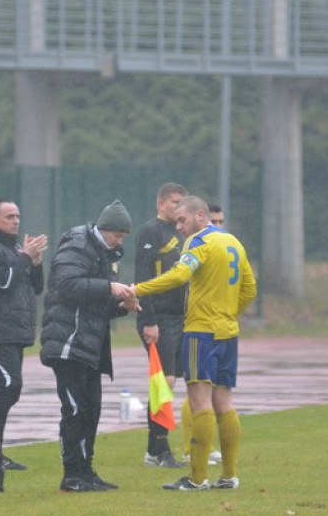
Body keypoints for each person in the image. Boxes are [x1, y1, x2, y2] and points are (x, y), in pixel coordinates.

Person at [133, 195, 257, 491]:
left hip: (201, 332)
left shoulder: (198, 243)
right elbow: (249, 288)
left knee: (200, 402)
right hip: (228, 332)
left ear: (200, 216)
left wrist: (138, 289)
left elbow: (179, 275)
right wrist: (229, 313)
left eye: (182, 220)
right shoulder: (233, 242)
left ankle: (198, 478)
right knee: (224, 403)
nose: (179, 227)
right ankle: (229, 475)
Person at [40, 200, 140, 492]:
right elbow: (68, 286)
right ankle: (72, 475)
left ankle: (86, 472)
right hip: (68, 342)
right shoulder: (76, 244)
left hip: (90, 344)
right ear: (104, 229)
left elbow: (98, 304)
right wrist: (110, 287)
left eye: (123, 238)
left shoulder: (107, 255)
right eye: (117, 236)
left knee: (92, 409)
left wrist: (124, 304)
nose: (119, 242)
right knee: (74, 409)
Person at [0, 200, 48, 471]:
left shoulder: (15, 250)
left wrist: (35, 262)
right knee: (8, 385)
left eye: (18, 216)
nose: (15, 221)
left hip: (15, 330)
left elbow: (36, 288)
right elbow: (3, 280)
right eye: (9, 216)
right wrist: (25, 256)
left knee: (9, 387)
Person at [134, 182, 188, 469]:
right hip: (160, 318)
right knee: (163, 381)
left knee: (173, 380)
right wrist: (149, 320)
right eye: (174, 202)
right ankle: (157, 449)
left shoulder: (181, 233)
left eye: (183, 203)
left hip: (181, 317)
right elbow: (142, 277)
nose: (179, 208)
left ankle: (158, 447)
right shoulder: (151, 231)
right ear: (161, 203)